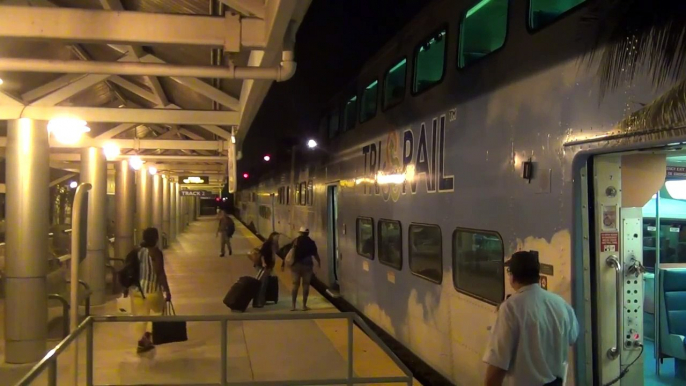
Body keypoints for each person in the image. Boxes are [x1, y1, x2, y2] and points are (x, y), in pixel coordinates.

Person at [483, 251, 578, 386]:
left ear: (512, 276)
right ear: (537, 276)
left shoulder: (510, 308)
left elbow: (498, 363)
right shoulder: (560, 303)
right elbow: (572, 337)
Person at [125, 227, 172, 354]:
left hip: (137, 290)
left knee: (141, 317)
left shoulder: (137, 251)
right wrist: (167, 290)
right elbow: (160, 273)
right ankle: (147, 338)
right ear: (156, 238)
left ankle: (142, 341)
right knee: (157, 313)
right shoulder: (155, 252)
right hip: (152, 289)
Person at [285, 227, 321, 311]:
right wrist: (319, 262)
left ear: (300, 233)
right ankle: (304, 305)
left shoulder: (296, 241)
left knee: (295, 285)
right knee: (306, 285)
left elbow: (290, 251)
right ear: (307, 233)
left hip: (296, 266)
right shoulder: (311, 242)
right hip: (307, 266)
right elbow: (315, 254)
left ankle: (293, 306)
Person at [254, 232, 279, 308]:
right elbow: (262, 254)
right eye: (276, 237)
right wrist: (264, 263)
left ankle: (262, 300)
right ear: (272, 237)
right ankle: (258, 302)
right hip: (262, 266)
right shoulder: (267, 244)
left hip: (268, 267)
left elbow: (273, 256)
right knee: (262, 284)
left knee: (265, 284)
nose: (277, 238)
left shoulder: (274, 245)